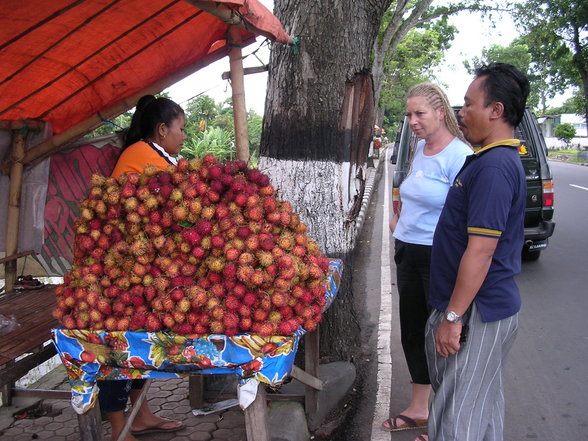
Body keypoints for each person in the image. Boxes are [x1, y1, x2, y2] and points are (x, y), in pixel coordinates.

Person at [422, 63, 530, 441]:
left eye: (468, 104)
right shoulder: (490, 160)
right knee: (479, 407)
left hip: (476, 313)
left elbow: (481, 251)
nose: (460, 113)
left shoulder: (494, 167)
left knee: (457, 419)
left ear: (495, 111)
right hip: (480, 309)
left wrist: (453, 317)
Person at [382, 83, 471, 432]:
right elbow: (413, 192)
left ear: (439, 111)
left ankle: (450, 415)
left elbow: (464, 214)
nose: (413, 121)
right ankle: (420, 408)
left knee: (444, 337)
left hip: (439, 257)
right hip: (407, 251)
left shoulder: (459, 155)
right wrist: (398, 218)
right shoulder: (419, 148)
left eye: (420, 113)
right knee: (413, 332)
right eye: (409, 115)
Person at [101, 95, 186, 441]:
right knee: (118, 347)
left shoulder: (154, 155)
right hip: (122, 271)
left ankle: (141, 415)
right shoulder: (144, 157)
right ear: (162, 129)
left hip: (142, 268)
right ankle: (119, 428)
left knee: (140, 341)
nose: (184, 136)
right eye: (181, 129)